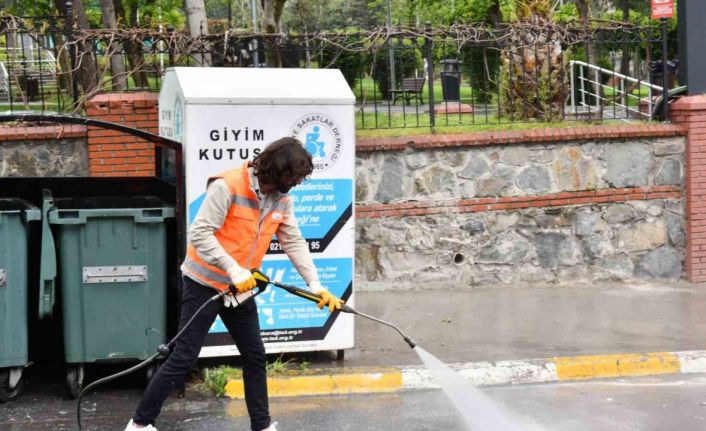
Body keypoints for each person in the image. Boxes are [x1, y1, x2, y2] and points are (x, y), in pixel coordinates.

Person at [125, 137, 343, 431]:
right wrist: (233, 268)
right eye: (295, 176)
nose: (298, 182)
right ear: (278, 171)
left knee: (255, 356)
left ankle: (262, 426)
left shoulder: (281, 198)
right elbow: (200, 234)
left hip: (240, 289)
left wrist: (316, 285)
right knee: (184, 357)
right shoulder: (226, 185)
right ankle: (140, 424)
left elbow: (293, 241)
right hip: (204, 282)